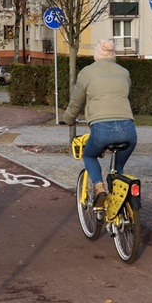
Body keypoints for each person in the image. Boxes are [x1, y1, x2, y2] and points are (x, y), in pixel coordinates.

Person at [61, 39, 136, 207]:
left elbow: (76, 102)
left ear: (97, 54)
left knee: (89, 155)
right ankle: (119, 200)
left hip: (102, 129)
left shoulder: (87, 73)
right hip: (128, 129)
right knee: (118, 169)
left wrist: (68, 119)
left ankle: (99, 188)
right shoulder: (124, 72)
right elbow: (128, 97)